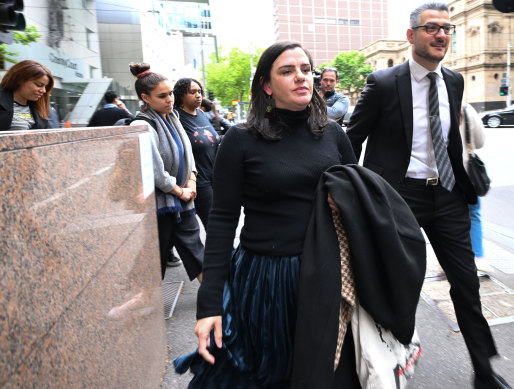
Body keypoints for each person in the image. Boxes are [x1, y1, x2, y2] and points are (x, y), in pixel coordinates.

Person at [346, 3, 511, 389]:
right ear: (411, 35)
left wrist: (463, 183)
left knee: (467, 284)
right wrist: (347, 191)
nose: (441, 35)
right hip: (399, 197)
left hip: (448, 195)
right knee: (398, 281)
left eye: (447, 29)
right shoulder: (384, 83)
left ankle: (484, 371)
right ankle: (386, 361)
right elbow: (351, 139)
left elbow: (451, 139)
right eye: (432, 28)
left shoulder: (453, 81)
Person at [181, 41, 358, 388]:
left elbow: (360, 204)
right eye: (287, 71)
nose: (301, 77)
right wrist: (210, 304)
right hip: (267, 280)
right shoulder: (239, 140)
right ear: (266, 85)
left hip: (326, 275)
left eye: (306, 70)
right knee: (269, 376)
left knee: (330, 374)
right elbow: (221, 224)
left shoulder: (334, 135)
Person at [128, 62, 204, 282]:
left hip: (183, 200)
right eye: (162, 96)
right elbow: (155, 171)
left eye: (170, 93)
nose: (170, 99)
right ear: (146, 98)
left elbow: (187, 153)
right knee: (153, 262)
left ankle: (217, 303)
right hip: (161, 205)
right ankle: (142, 308)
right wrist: (180, 191)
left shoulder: (172, 117)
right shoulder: (142, 125)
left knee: (198, 254)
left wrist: (191, 180)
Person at [173, 79, 220, 229]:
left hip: (215, 176)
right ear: (181, 96)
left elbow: (212, 139)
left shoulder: (201, 113)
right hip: (197, 180)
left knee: (221, 220)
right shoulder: (176, 117)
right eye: (192, 92)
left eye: (199, 91)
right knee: (213, 224)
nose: (198, 95)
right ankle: (224, 252)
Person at [460, 103, 490, 272]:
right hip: (467, 173)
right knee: (473, 214)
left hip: (440, 177)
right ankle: (478, 257)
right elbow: (479, 142)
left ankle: (453, 258)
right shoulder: (465, 109)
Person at [0, 60, 54, 131]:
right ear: (20, 80)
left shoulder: (39, 108)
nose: (43, 90)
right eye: (39, 85)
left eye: (45, 87)